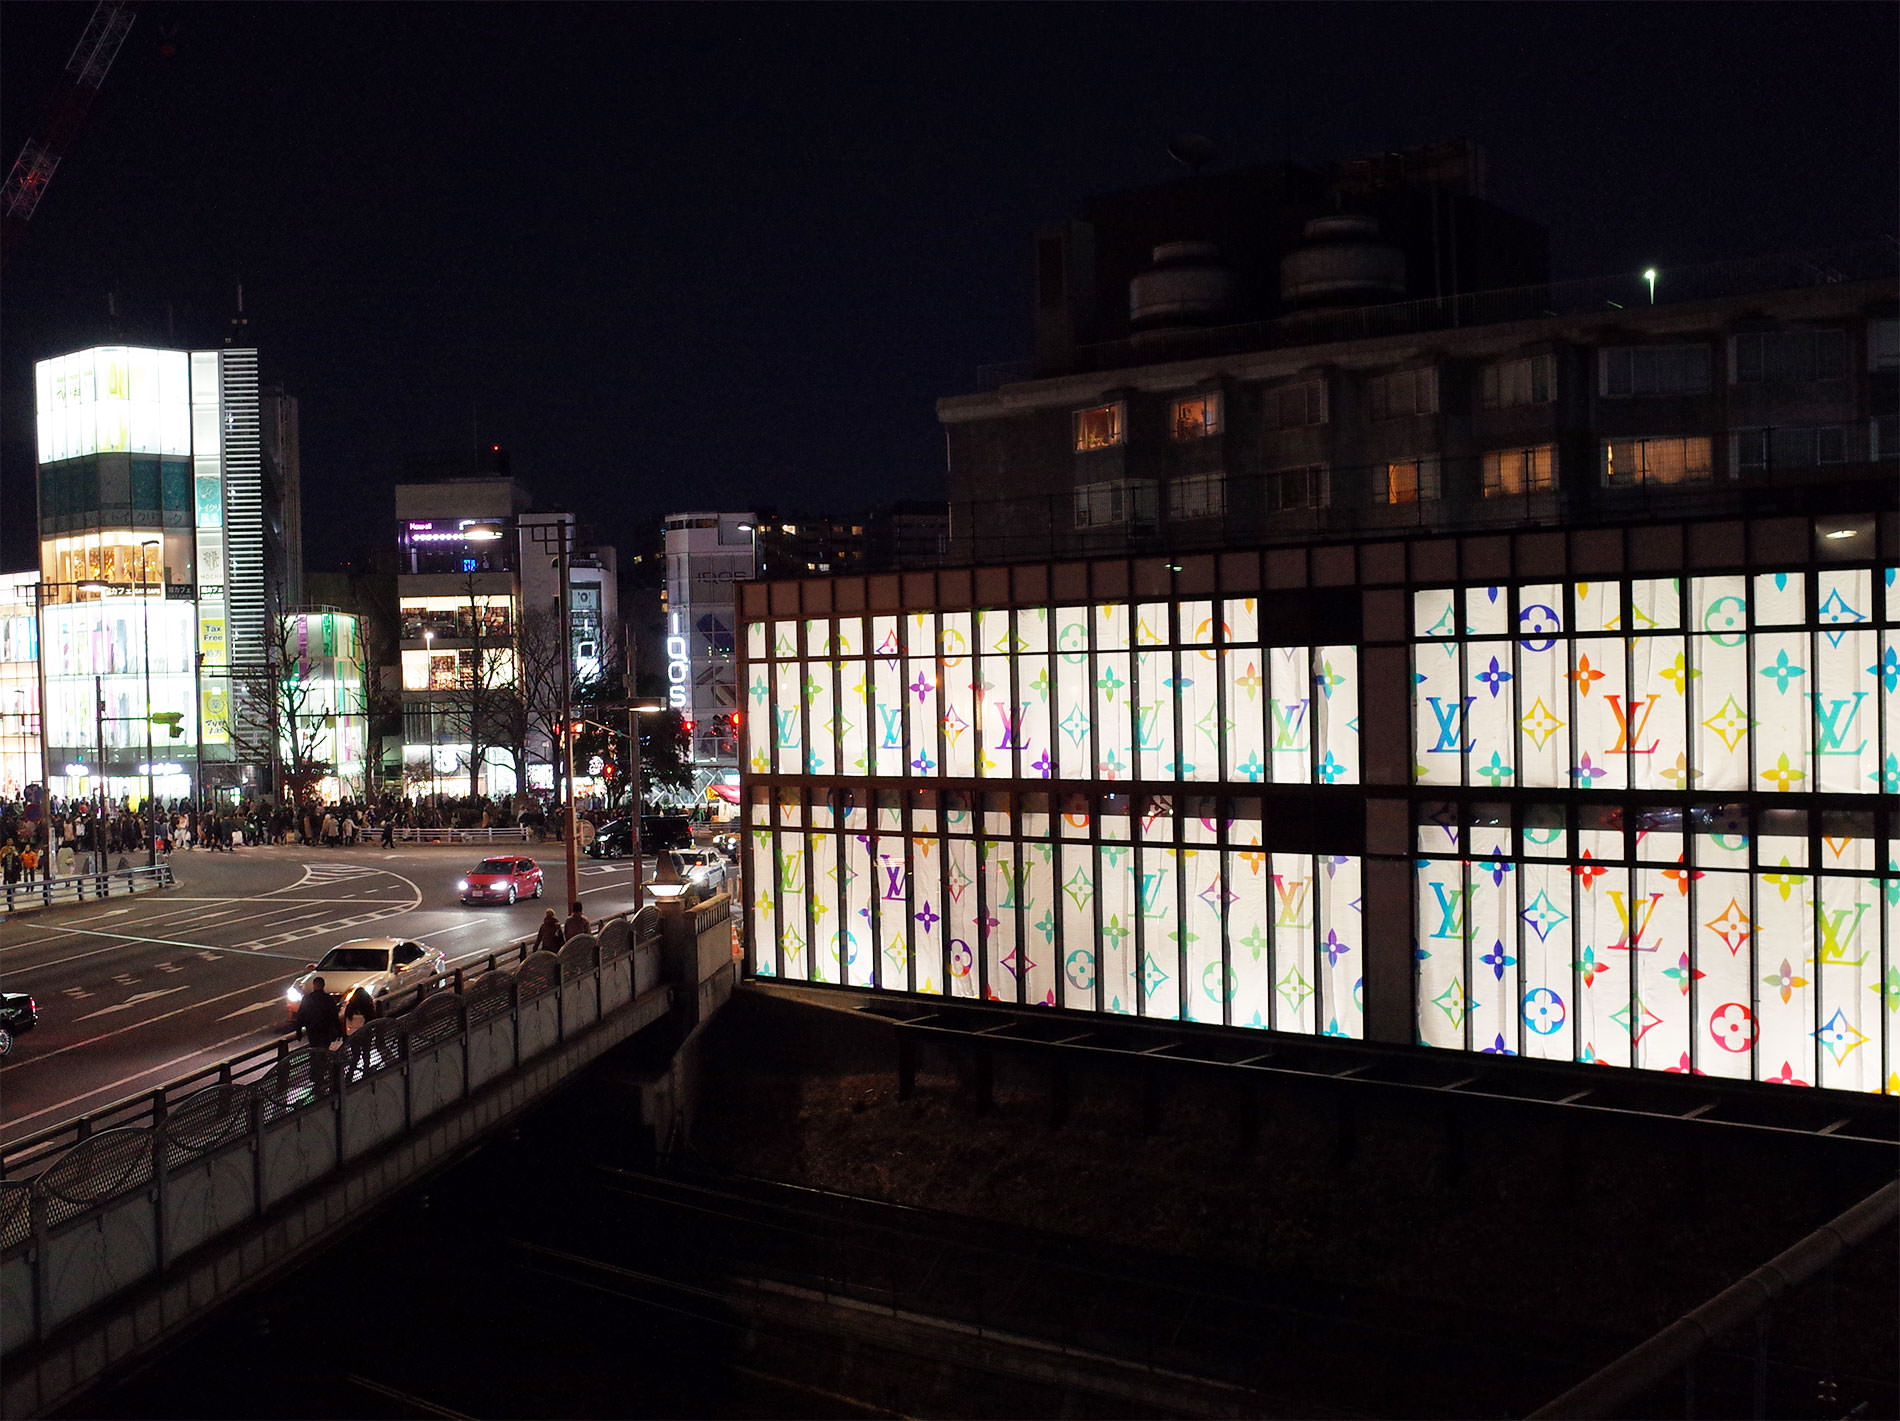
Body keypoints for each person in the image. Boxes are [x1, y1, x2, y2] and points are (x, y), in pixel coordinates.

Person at [295, 976, 343, 1091]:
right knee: (324, 1052)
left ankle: (316, 1078)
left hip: (313, 1031)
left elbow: (300, 1016)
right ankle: (324, 1075)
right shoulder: (328, 999)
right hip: (325, 1031)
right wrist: (339, 1030)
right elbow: (334, 1016)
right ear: (323, 986)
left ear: (314, 986)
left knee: (314, 1052)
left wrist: (298, 1031)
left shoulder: (307, 999)